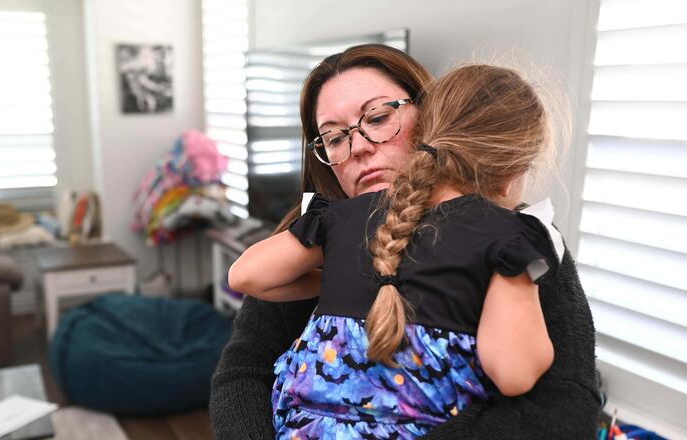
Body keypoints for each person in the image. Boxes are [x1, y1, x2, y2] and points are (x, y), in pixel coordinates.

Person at [210, 44, 600, 439]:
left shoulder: (520, 243)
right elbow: (243, 373)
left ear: (434, 118)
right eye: (332, 138)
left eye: (378, 118)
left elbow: (564, 406)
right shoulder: (315, 232)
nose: (358, 146)